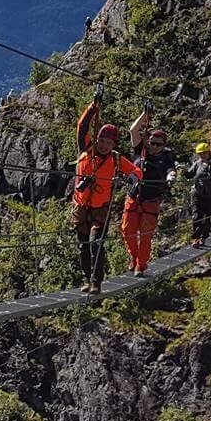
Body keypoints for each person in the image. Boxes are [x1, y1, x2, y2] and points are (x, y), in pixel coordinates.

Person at [69, 96, 137, 294]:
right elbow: (82, 126)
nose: (105, 145)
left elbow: (135, 170)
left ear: (113, 144)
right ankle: (86, 279)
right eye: (102, 140)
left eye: (109, 142)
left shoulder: (116, 160)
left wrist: (133, 177)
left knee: (95, 243)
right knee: (83, 246)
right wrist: (93, 107)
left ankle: (96, 281)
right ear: (97, 138)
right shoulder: (86, 149)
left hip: (100, 209)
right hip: (81, 208)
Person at [120, 109, 176, 275]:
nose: (154, 146)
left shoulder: (166, 157)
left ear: (163, 146)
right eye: (152, 142)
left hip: (151, 200)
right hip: (134, 196)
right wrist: (144, 114)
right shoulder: (140, 151)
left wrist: (171, 176)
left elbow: (170, 170)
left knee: (145, 235)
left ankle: (141, 265)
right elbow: (133, 130)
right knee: (127, 230)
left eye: (158, 144)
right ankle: (134, 257)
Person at [187, 141, 211, 248]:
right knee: (197, 216)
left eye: (204, 153)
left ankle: (203, 237)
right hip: (198, 194)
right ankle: (195, 238)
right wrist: (181, 170)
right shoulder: (197, 164)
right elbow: (189, 175)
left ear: (209, 153)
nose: (202, 156)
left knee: (207, 217)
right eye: (200, 154)